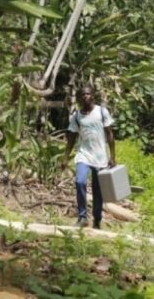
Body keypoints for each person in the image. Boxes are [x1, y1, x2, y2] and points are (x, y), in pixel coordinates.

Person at [61, 86, 116, 229]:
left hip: (100, 157)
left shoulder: (101, 112)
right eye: (83, 94)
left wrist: (112, 156)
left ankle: (97, 219)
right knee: (80, 182)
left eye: (88, 93)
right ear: (80, 97)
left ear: (93, 96)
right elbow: (72, 137)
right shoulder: (76, 116)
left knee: (98, 190)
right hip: (83, 154)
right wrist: (65, 157)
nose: (85, 96)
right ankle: (82, 217)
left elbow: (109, 134)